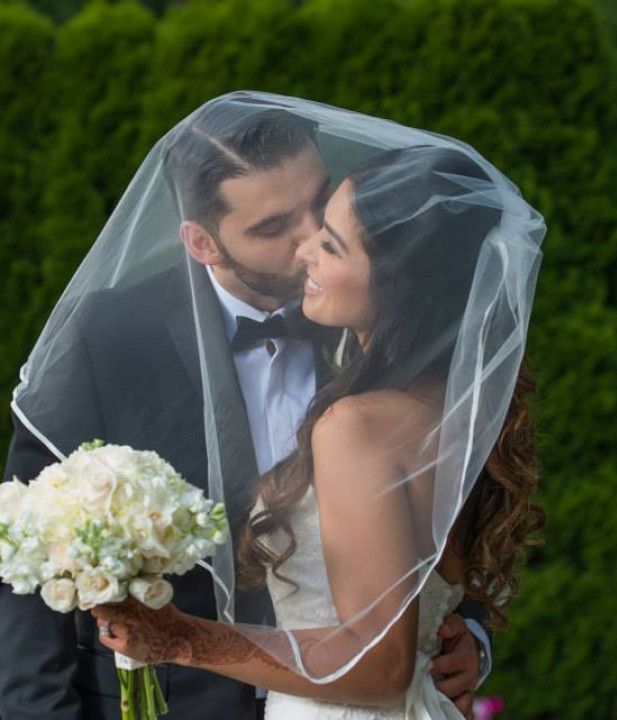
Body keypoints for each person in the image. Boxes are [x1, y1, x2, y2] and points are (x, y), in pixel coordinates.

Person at [0, 95, 492, 720]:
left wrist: (466, 637)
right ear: (203, 242)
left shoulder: (383, 325)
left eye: (319, 201)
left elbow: (462, 517)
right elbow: (26, 550)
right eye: (272, 227)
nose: (311, 237)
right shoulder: (108, 335)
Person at [91, 143, 544, 719]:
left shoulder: (355, 426)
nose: (303, 252)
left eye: (329, 244)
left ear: (395, 284)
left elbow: (380, 668)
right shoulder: (457, 405)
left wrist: (182, 639)